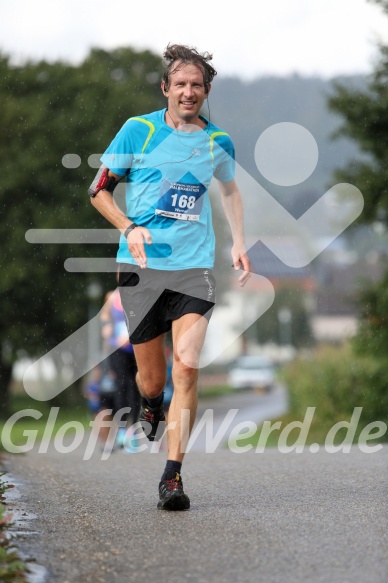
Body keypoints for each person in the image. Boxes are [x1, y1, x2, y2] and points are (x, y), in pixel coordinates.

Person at [89, 43, 250, 510]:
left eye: (196, 85)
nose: (188, 91)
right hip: (141, 269)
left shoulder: (218, 141)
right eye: (179, 84)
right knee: (151, 380)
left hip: (193, 268)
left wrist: (239, 241)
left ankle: (172, 477)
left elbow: (231, 190)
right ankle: (151, 407)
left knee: (187, 364)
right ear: (165, 88)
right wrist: (129, 226)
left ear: (206, 91)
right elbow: (98, 190)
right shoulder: (137, 131)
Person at [100, 287, 140, 451]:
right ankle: (122, 431)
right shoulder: (111, 296)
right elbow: (104, 316)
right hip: (117, 349)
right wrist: (106, 327)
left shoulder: (140, 293)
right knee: (121, 387)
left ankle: (133, 431)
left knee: (135, 387)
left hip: (137, 347)